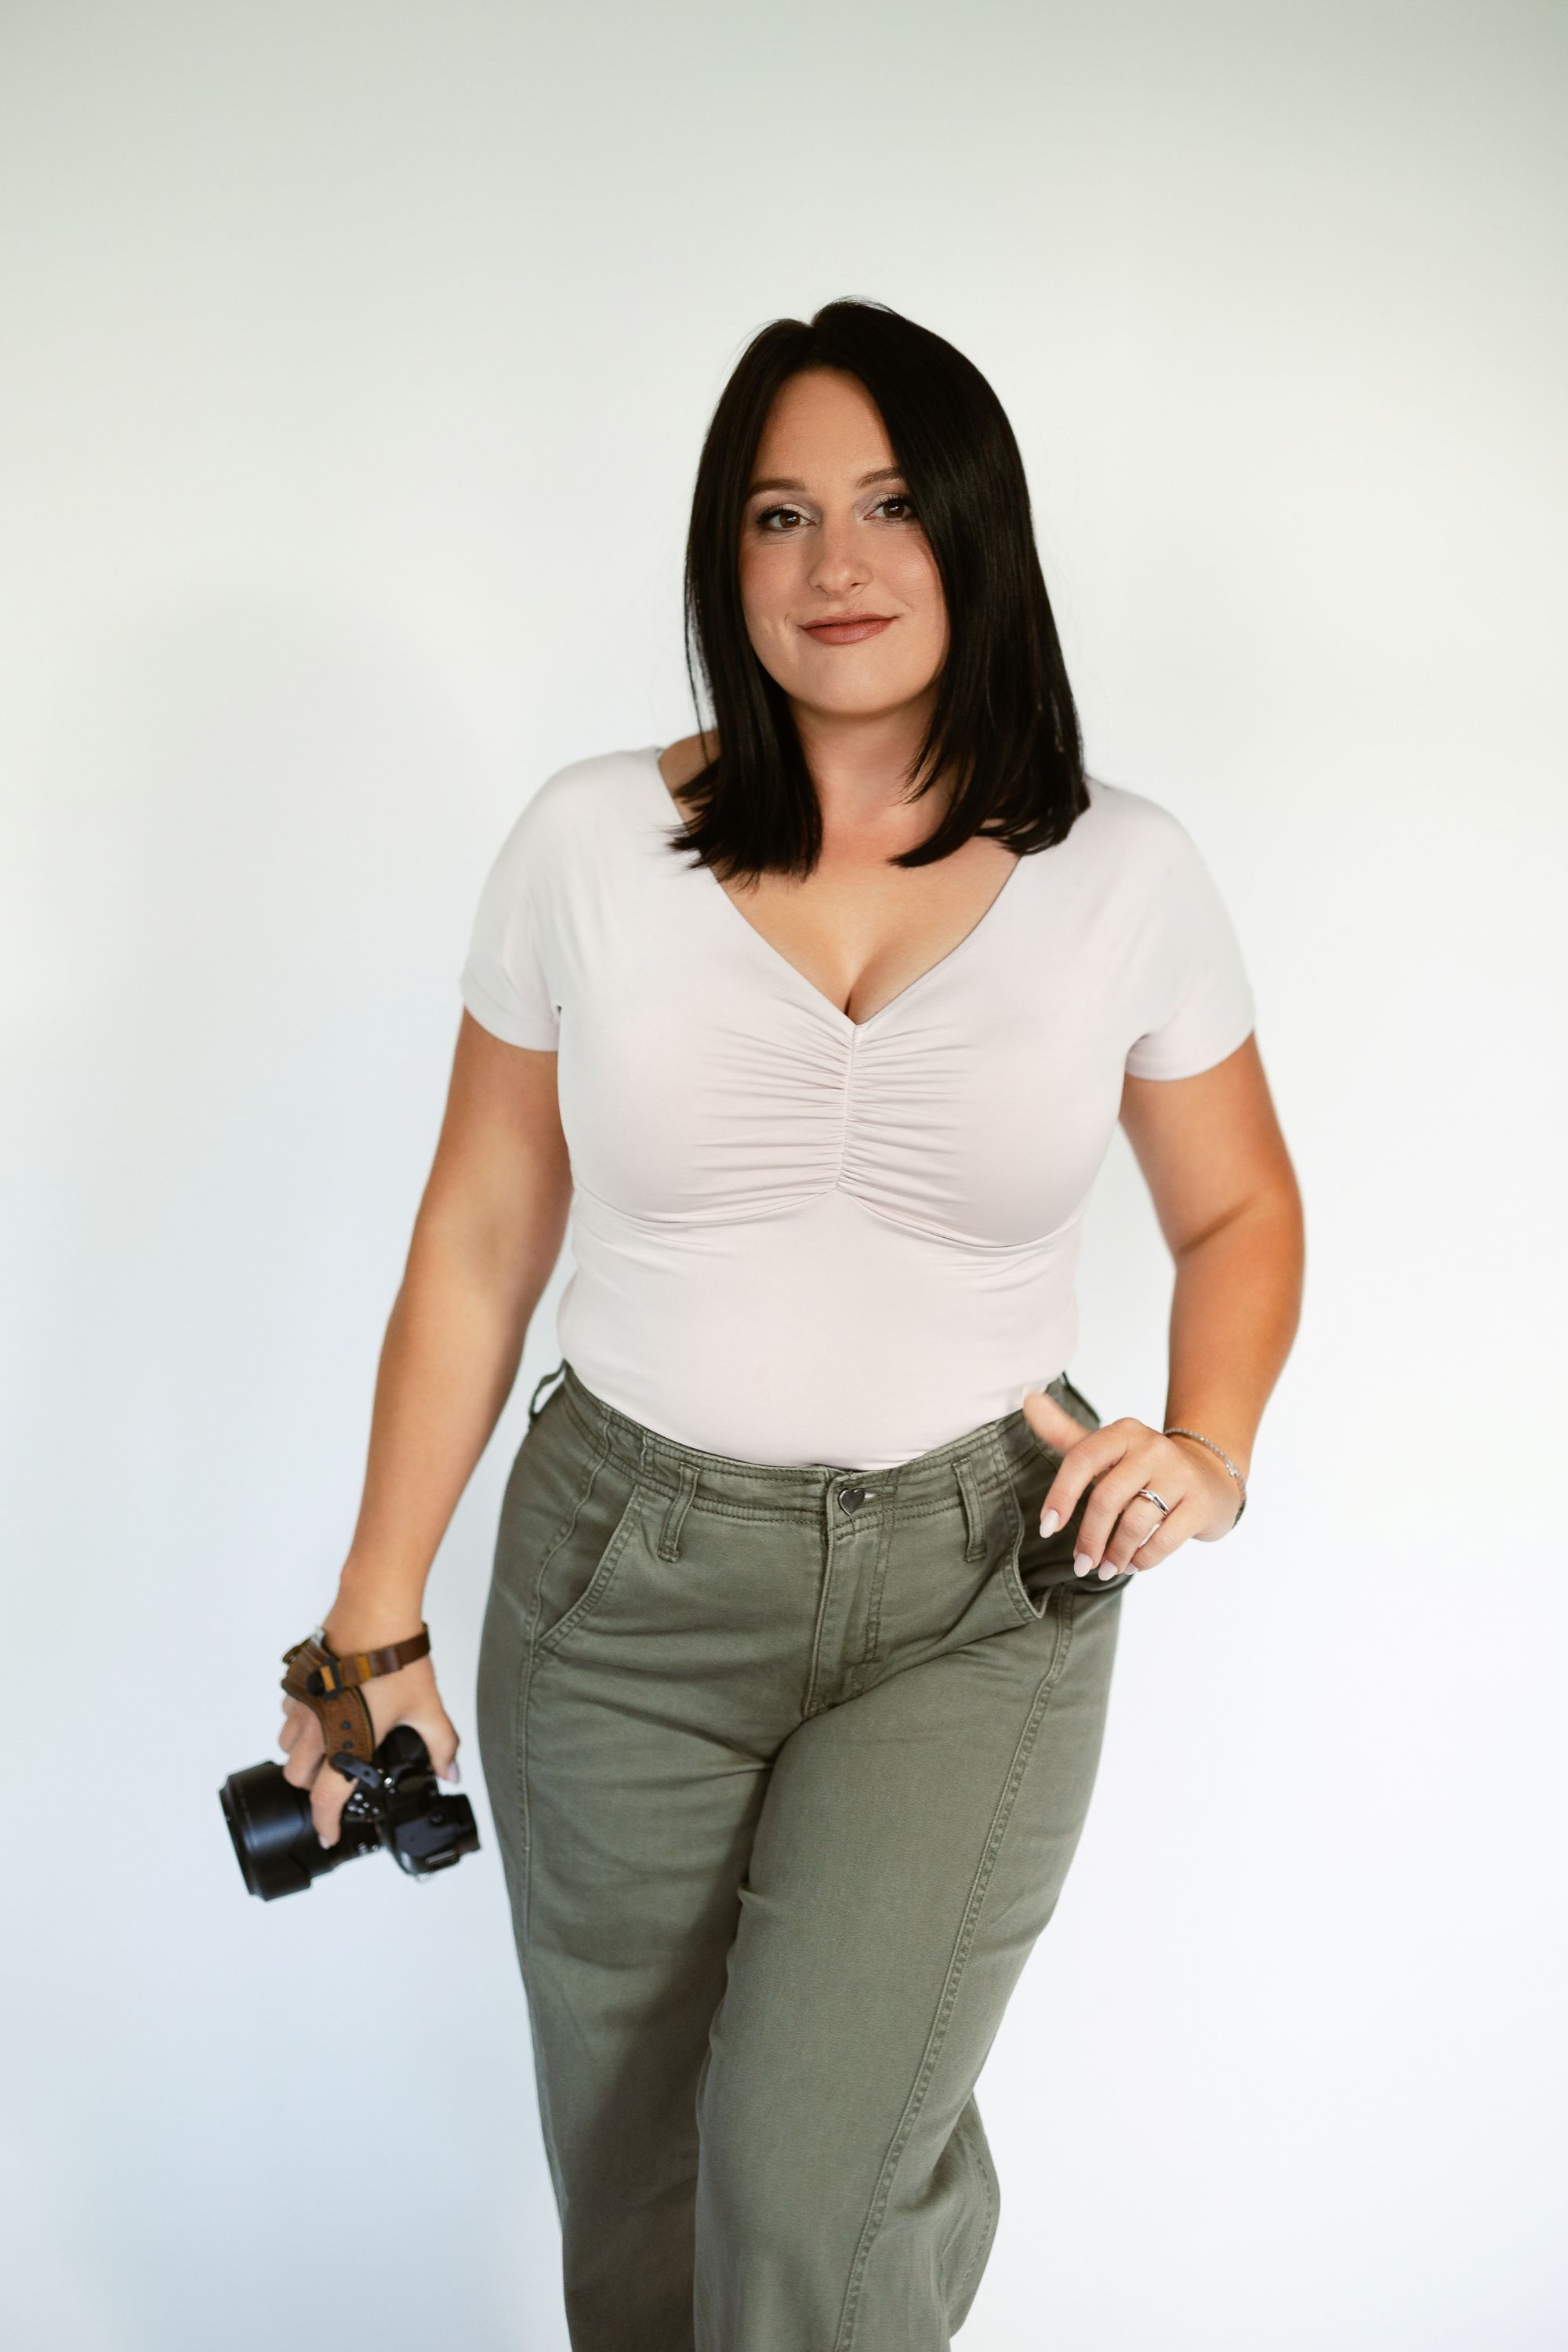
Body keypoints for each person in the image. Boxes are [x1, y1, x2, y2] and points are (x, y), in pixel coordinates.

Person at [276, 299, 1304, 2351]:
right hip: (618, 1589)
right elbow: (481, 1234)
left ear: (976, 538)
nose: (834, 566)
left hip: (979, 1588)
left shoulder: (1127, 873)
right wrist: (369, 1620)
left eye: (890, 506)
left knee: (807, 2191)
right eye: (778, 514)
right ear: (722, 560)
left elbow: (1240, 1203)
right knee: (647, 2209)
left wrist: (1210, 1439)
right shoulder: (588, 843)